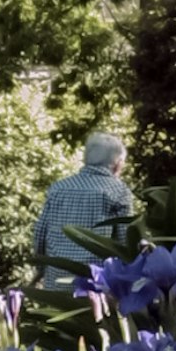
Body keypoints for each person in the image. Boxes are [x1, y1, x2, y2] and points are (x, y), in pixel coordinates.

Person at [31, 120, 138, 291]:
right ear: (118, 163)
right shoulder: (119, 191)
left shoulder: (58, 188)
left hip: (55, 281)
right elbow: (125, 243)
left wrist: (42, 269)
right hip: (95, 283)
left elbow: (40, 233)